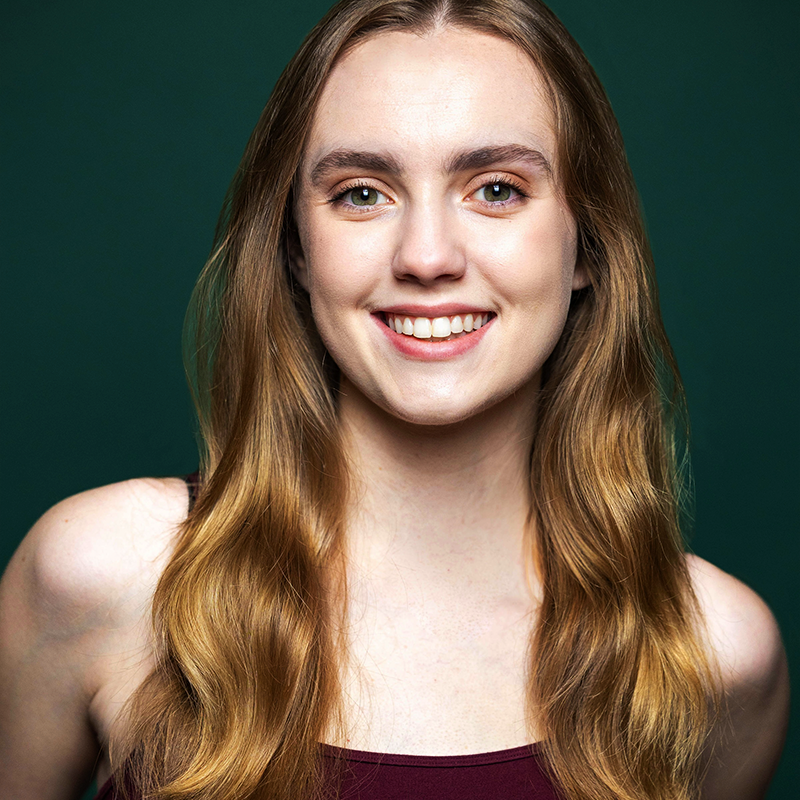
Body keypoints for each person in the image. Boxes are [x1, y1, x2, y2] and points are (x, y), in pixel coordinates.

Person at [0, 0, 789, 798]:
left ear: (586, 242)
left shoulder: (714, 656)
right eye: (361, 194)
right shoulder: (99, 580)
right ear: (297, 249)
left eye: (497, 189)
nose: (426, 256)